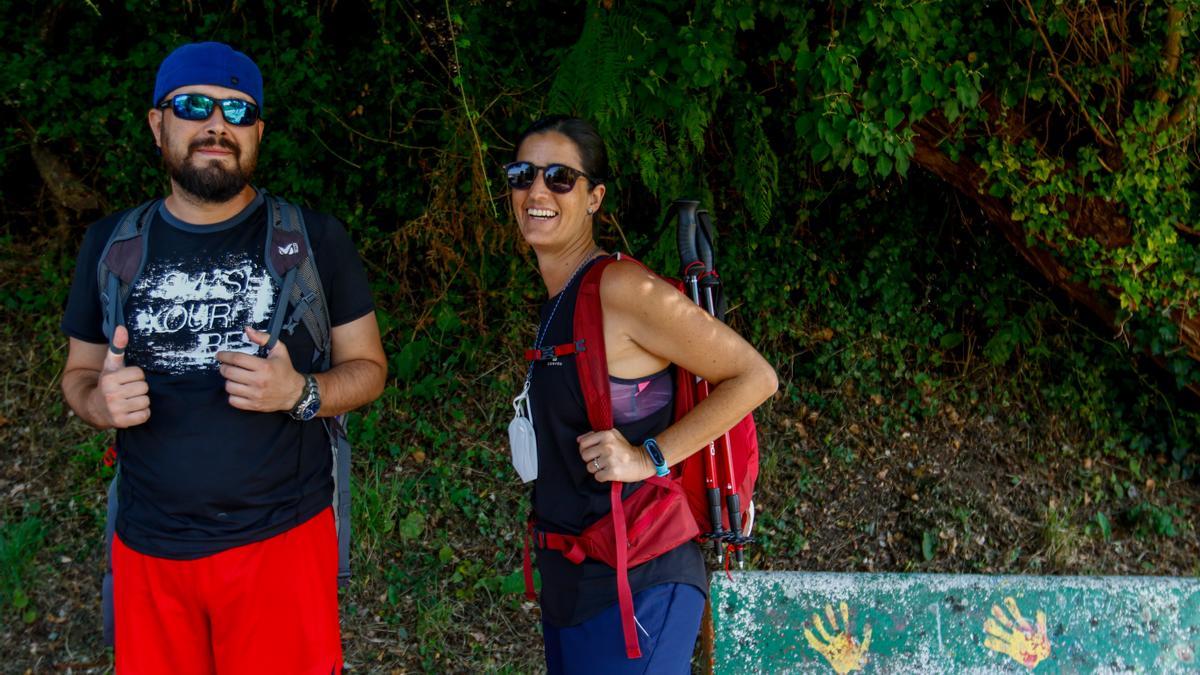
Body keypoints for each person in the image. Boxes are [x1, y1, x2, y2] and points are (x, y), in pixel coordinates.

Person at [59, 42, 386, 673]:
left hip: (282, 544)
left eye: (237, 112)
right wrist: (97, 403)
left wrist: (301, 394)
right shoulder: (110, 246)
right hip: (149, 549)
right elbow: (77, 374)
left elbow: (369, 369)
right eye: (195, 106)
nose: (217, 125)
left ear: (258, 132)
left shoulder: (314, 238)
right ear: (158, 125)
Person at [507, 116, 778, 673]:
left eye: (560, 177)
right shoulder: (559, 298)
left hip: (641, 580)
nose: (536, 191)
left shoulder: (620, 288)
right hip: (576, 580)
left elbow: (754, 376)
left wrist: (646, 456)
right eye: (522, 174)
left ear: (594, 198)